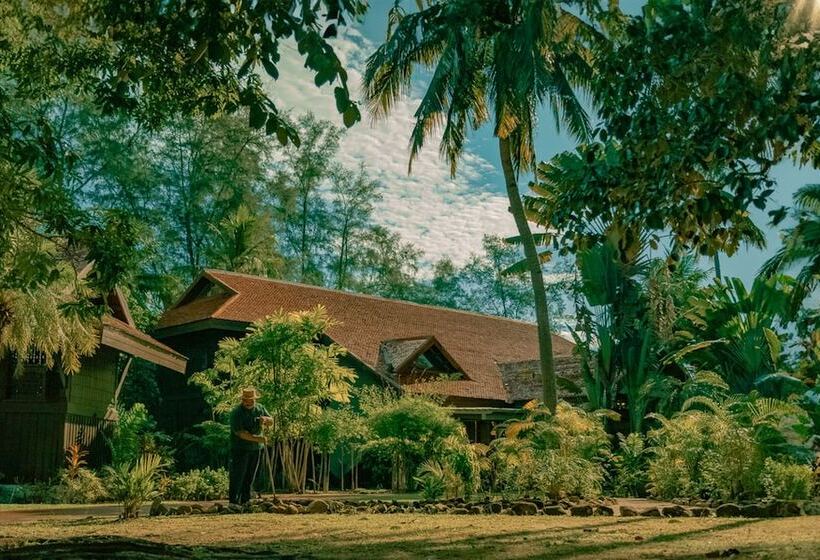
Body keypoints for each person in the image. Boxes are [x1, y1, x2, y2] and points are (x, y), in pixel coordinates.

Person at [228, 387, 273, 504]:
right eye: (246, 400)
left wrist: (266, 419)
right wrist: (258, 439)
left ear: (254, 400)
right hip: (240, 448)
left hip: (256, 449)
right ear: (242, 400)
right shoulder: (236, 413)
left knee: (250, 476)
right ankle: (233, 502)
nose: (248, 402)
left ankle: (246, 501)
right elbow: (241, 433)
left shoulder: (260, 408)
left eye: (251, 400)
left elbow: (271, 421)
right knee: (238, 475)